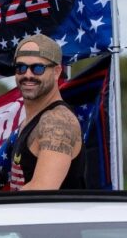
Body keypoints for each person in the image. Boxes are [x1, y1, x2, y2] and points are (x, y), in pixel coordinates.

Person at [8, 34, 85, 190]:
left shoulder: (57, 121)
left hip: (53, 214)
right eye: (21, 68)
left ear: (56, 72)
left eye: (38, 68)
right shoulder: (30, 121)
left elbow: (42, 191)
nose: (27, 75)